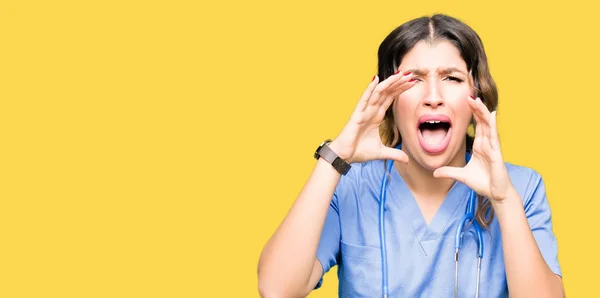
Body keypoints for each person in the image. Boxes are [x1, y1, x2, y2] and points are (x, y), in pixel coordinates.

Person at [257, 14, 565, 297]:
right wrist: (336, 156)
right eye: (413, 80)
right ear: (388, 100)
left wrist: (503, 200)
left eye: (452, 78)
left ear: (477, 97)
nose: (433, 98)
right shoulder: (349, 186)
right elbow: (276, 289)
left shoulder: (521, 188)